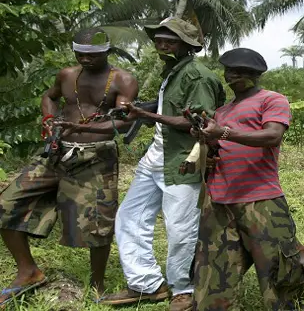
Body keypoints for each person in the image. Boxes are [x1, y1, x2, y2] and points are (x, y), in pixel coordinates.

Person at [0, 28, 139, 307]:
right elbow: (49, 97)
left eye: (94, 55)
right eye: (81, 55)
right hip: (57, 153)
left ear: (107, 52)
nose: (86, 60)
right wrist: (49, 119)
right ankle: (29, 272)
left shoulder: (123, 79)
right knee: (6, 204)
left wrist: (80, 126)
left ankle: (97, 287)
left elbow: (125, 120)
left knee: (97, 225)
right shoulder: (66, 75)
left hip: (96, 157)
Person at [100, 18, 225, 311]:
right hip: (155, 159)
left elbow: (200, 124)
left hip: (183, 161)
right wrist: (143, 109)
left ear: (186, 45)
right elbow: (170, 110)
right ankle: (147, 284)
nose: (162, 45)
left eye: (170, 41)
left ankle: (183, 289)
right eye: (159, 40)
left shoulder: (197, 76)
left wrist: (148, 116)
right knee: (130, 217)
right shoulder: (174, 72)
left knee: (180, 229)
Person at [190, 48, 304, 311]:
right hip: (220, 200)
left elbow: (272, 136)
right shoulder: (222, 111)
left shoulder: (272, 100)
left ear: (256, 76)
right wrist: (207, 145)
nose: (235, 76)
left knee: (279, 271)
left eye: (243, 72)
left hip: (261, 200)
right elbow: (221, 146)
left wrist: (222, 132)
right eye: (231, 71)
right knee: (213, 271)